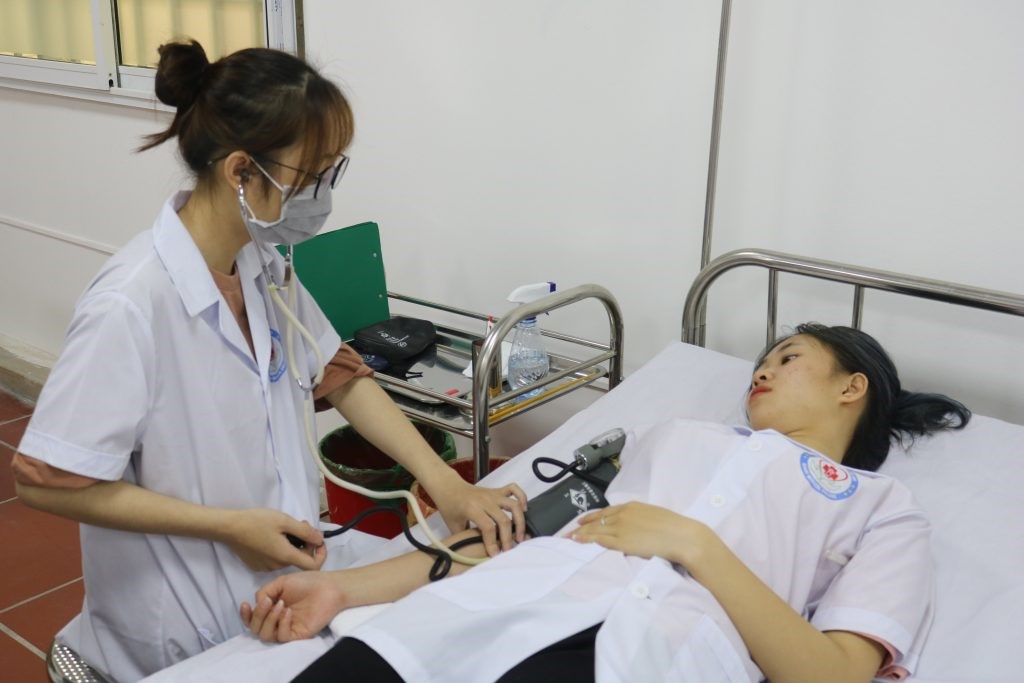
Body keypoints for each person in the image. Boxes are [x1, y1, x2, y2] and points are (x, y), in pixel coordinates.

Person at [11, 40, 526, 682]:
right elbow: (44, 480)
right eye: (311, 176)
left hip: (286, 573)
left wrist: (446, 484)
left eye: (330, 173)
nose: (320, 194)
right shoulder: (131, 303)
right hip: (183, 619)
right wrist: (230, 526)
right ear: (241, 172)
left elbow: (340, 376)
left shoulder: (261, 266)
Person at [240, 323, 970, 683]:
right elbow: (512, 535)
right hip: (498, 605)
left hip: (653, 654)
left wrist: (694, 544)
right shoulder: (672, 435)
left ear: (852, 386)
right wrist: (343, 588)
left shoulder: (884, 507)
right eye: (759, 363)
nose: (761, 372)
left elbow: (835, 673)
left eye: (788, 358)